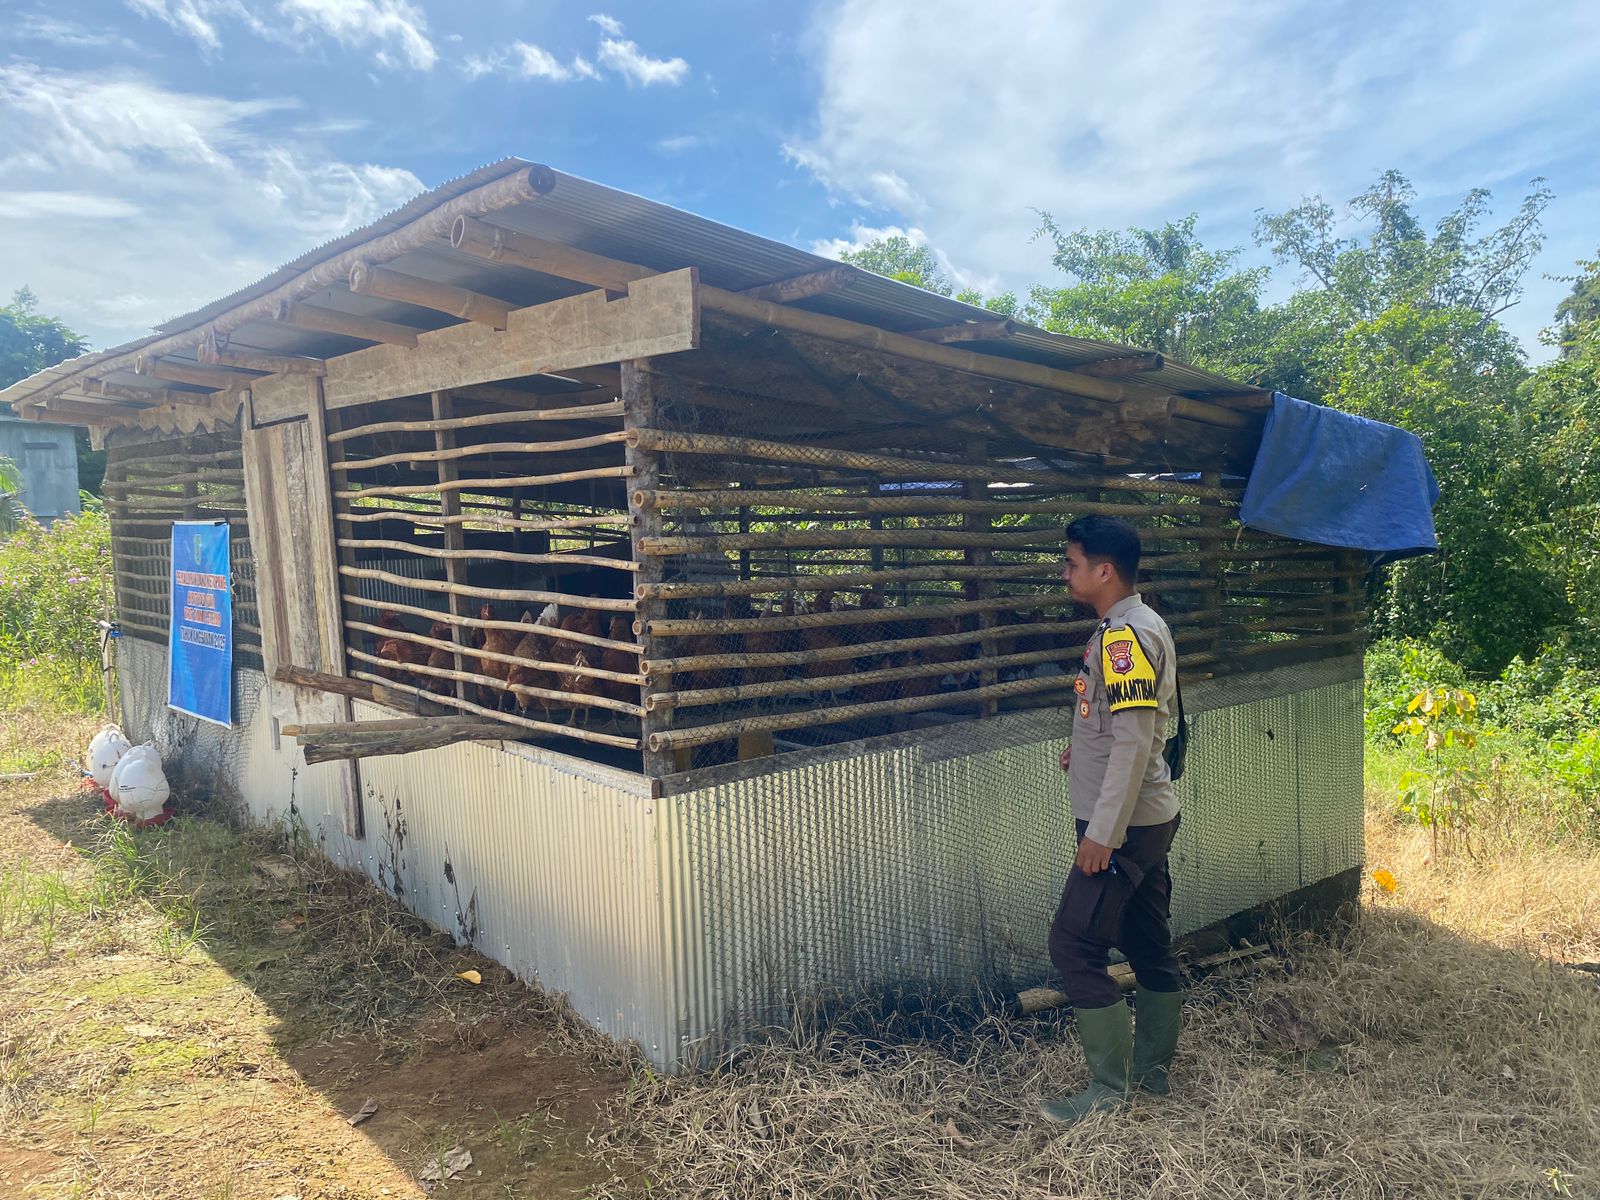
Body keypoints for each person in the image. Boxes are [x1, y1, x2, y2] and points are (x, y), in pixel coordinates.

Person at [1040, 515, 1184, 1124]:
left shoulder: (1123, 639)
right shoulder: (1135, 626)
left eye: (1072, 563)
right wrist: (1087, 744)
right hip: (1148, 817)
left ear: (1104, 571)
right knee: (1148, 940)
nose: (1065, 573)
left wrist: (1103, 834)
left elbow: (1133, 742)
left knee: (1073, 944)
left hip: (1123, 826)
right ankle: (1151, 1074)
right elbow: (1126, 728)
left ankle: (1108, 1091)